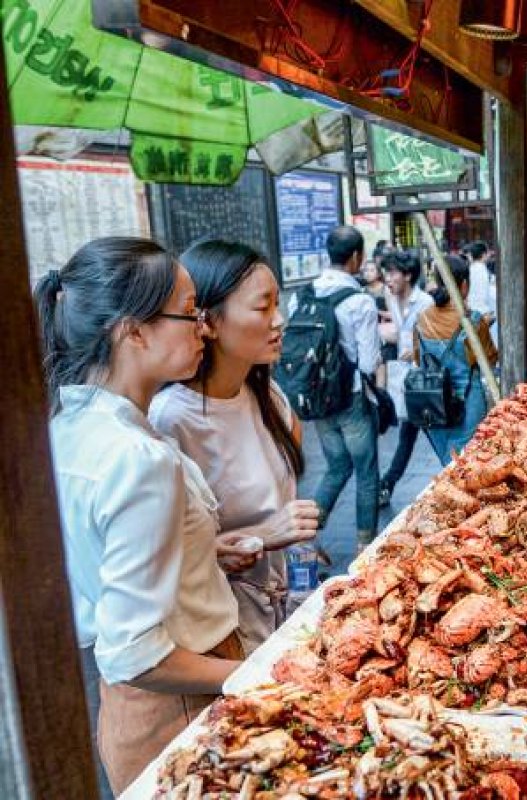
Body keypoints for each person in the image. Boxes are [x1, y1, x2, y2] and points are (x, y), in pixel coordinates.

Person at [35, 237, 244, 793]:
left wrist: (203, 551)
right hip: (179, 703)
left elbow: (103, 554)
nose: (204, 328)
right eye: (189, 311)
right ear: (133, 330)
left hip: (128, 713)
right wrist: (263, 675)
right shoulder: (136, 457)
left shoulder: (67, 429)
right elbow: (136, 654)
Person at [150, 240, 321, 652]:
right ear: (207, 320)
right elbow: (161, 561)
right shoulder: (171, 419)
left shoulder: (270, 396)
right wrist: (261, 535)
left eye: (278, 304)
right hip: (223, 637)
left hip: (285, 618)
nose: (279, 321)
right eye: (263, 308)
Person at [292, 225, 383, 551]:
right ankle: (365, 547)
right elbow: (370, 362)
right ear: (357, 257)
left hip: (316, 399)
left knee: (337, 465)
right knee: (366, 472)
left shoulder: (301, 297)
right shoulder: (359, 302)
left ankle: (305, 534)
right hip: (352, 398)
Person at [414, 254, 498, 465]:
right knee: (462, 466)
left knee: (448, 464)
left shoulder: (422, 318)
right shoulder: (474, 320)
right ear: (464, 285)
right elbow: (490, 361)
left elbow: (418, 359)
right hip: (467, 404)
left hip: (432, 402)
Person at [378, 250, 435, 505]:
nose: (387, 278)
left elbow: (432, 339)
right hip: (405, 379)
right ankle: (388, 483)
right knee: (410, 433)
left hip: (423, 380)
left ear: (408, 275)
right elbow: (400, 333)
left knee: (429, 432)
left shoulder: (424, 302)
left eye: (392, 273)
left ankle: (387, 483)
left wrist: (415, 350)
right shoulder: (391, 297)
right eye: (386, 273)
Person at [464, 240, 495, 317]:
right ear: (484, 254)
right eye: (488, 253)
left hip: (471, 310)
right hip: (482, 312)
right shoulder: (483, 270)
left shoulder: (470, 269)